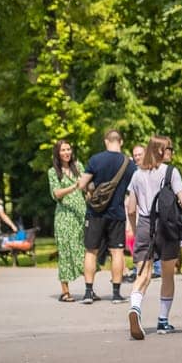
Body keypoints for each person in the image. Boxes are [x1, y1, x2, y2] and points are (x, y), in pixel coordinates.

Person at [124, 135, 182, 339]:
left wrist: (137, 231)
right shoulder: (171, 172)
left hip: (145, 224)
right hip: (167, 227)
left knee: (142, 274)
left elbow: (130, 207)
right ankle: (163, 321)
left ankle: (135, 308)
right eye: (169, 148)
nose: (172, 151)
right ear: (161, 151)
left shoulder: (137, 174)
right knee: (167, 273)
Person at [77, 129, 136, 303]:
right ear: (121, 142)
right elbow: (134, 189)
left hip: (95, 213)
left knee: (91, 251)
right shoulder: (129, 164)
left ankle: (88, 292)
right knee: (117, 252)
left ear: (105, 141)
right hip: (117, 214)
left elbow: (82, 185)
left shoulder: (96, 159)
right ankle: (116, 293)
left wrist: (91, 188)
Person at [49, 139, 86, 301]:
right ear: (57, 153)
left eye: (68, 149)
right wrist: (74, 187)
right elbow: (55, 194)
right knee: (65, 252)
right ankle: (65, 291)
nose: (66, 152)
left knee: (84, 251)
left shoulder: (79, 167)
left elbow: (86, 188)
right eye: (63, 150)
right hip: (64, 218)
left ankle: (89, 289)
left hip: (81, 215)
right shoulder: (53, 172)